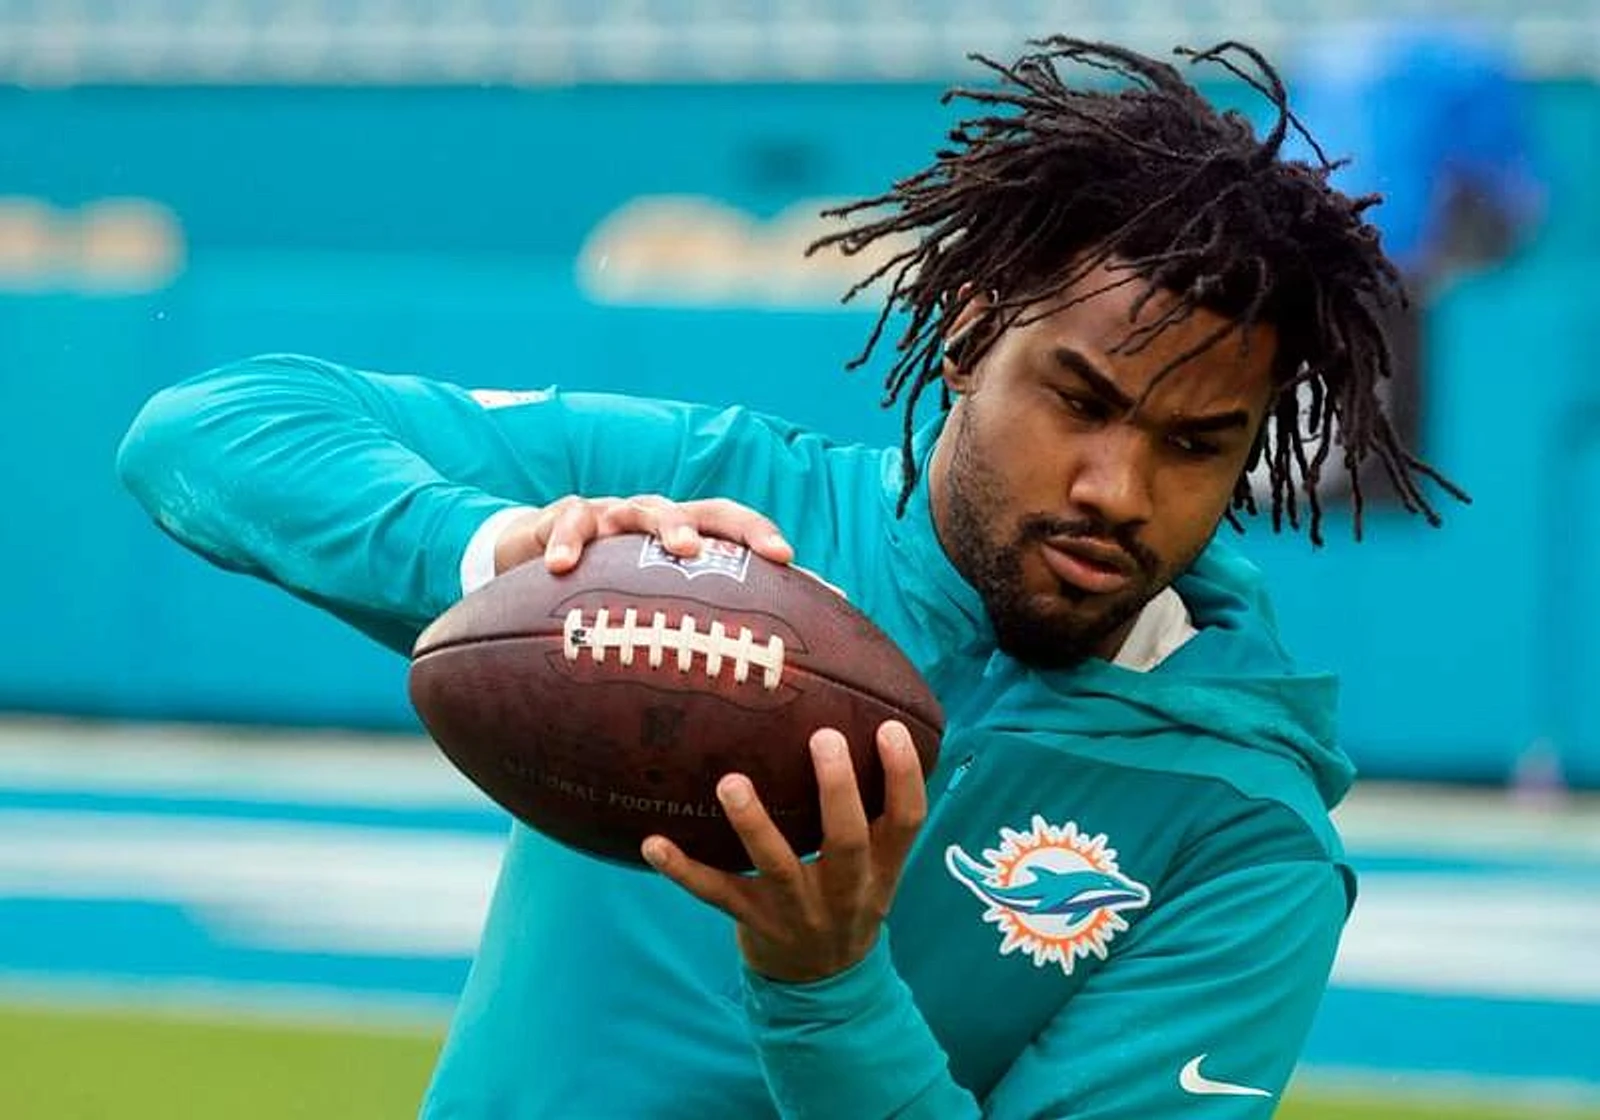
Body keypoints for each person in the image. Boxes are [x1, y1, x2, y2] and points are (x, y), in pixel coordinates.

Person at [116, 38, 1464, 1120]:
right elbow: (205, 431)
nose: (1118, 486)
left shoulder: (1245, 831)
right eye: (1081, 400)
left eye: (1194, 444)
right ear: (970, 338)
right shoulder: (706, 522)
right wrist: (499, 555)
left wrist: (826, 990)